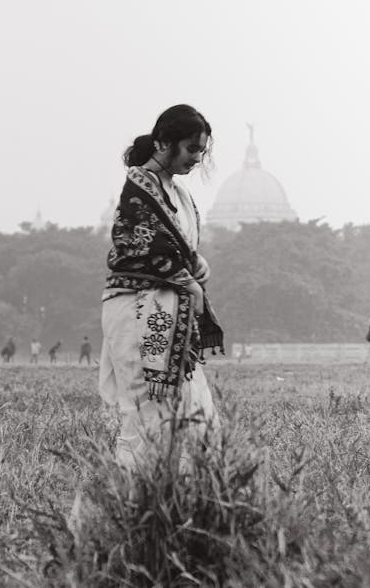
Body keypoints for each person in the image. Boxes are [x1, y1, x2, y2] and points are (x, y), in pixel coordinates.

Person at [99, 104, 224, 469]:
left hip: (173, 314)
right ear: (163, 143)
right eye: (191, 149)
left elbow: (181, 248)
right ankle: (130, 508)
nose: (197, 158)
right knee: (146, 414)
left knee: (193, 413)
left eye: (201, 151)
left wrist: (197, 266)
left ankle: (180, 506)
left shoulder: (181, 195)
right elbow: (139, 244)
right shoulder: (139, 186)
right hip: (136, 308)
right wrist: (187, 280)